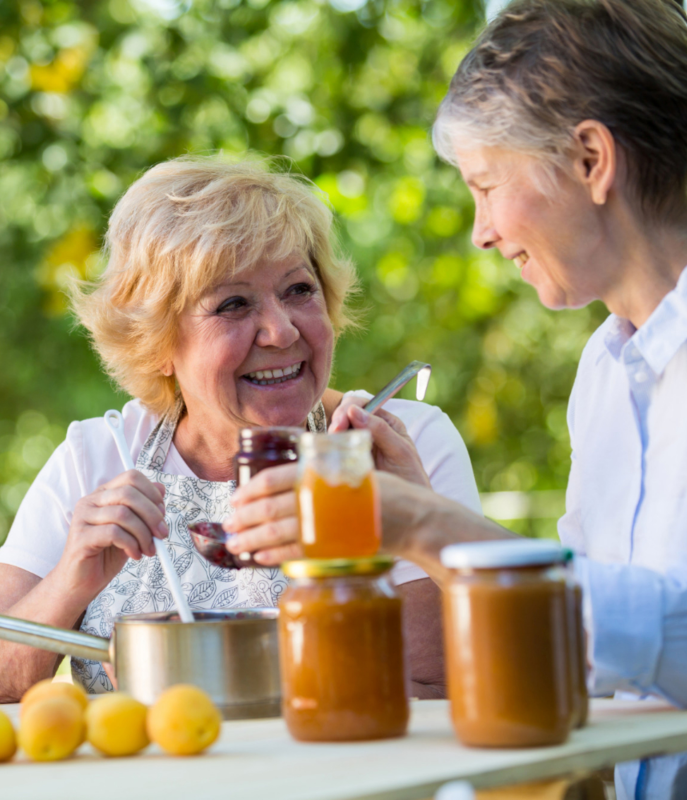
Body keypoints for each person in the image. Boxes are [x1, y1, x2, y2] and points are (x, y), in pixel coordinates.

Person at [229, 1, 687, 797]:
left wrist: (433, 528)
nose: (478, 231)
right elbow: (584, 639)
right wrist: (424, 523)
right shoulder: (606, 375)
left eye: (486, 185)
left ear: (589, 158)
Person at [0, 156, 481, 702]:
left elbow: (435, 688)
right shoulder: (98, 455)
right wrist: (70, 582)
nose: (280, 330)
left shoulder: (400, 443)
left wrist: (404, 519)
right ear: (157, 344)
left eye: (299, 289)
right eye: (233, 304)